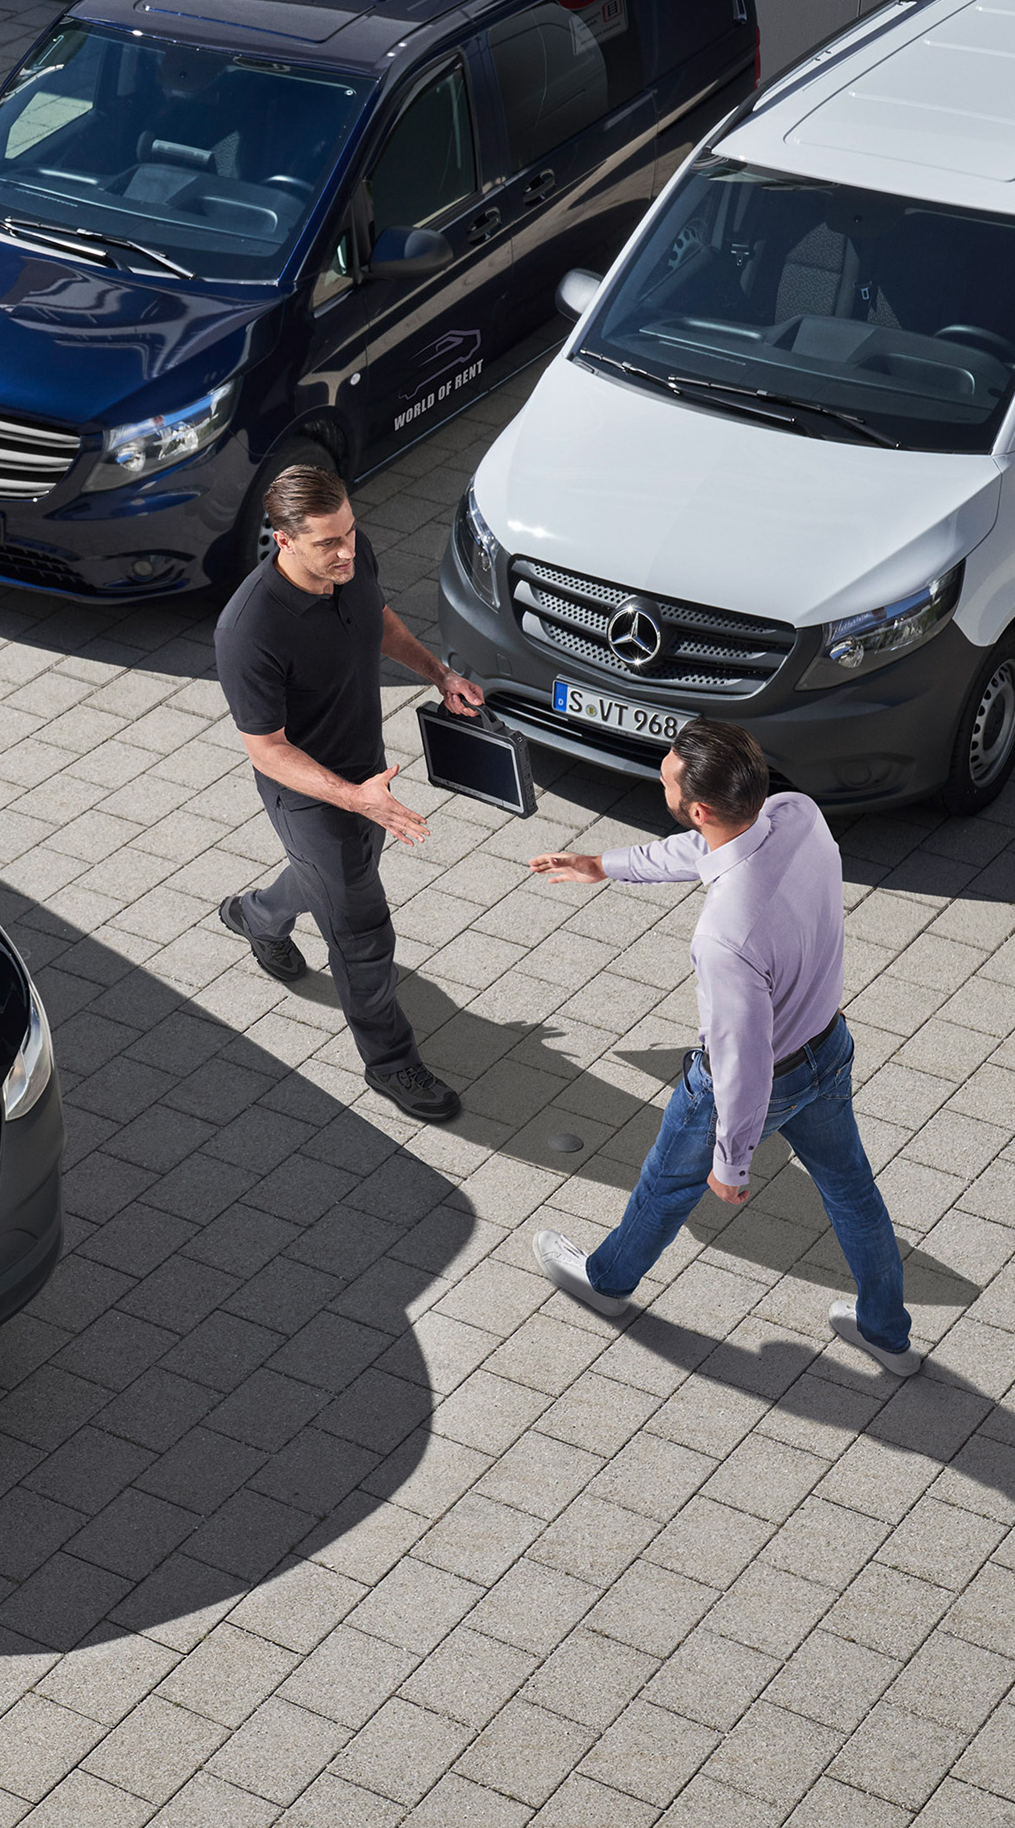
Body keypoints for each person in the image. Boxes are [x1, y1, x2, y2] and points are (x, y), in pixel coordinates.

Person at [523, 718, 922, 1377]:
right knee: (851, 1189)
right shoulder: (797, 814)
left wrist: (733, 1164)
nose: (660, 771)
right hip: (829, 1047)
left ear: (700, 807)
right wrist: (605, 865)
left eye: (667, 777)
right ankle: (886, 1331)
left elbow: (742, 1063)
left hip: (766, 1078)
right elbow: (704, 851)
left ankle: (607, 1281)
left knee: (664, 1181)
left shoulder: (725, 937)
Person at [211, 459, 481, 1124]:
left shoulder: (350, 560)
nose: (347, 551)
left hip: (368, 771)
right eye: (328, 542)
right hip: (305, 792)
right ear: (284, 540)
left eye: (350, 533)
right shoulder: (249, 628)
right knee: (361, 926)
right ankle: (390, 1061)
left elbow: (380, 619)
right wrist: (352, 797)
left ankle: (256, 915)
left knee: (337, 877)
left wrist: (437, 673)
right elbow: (266, 748)